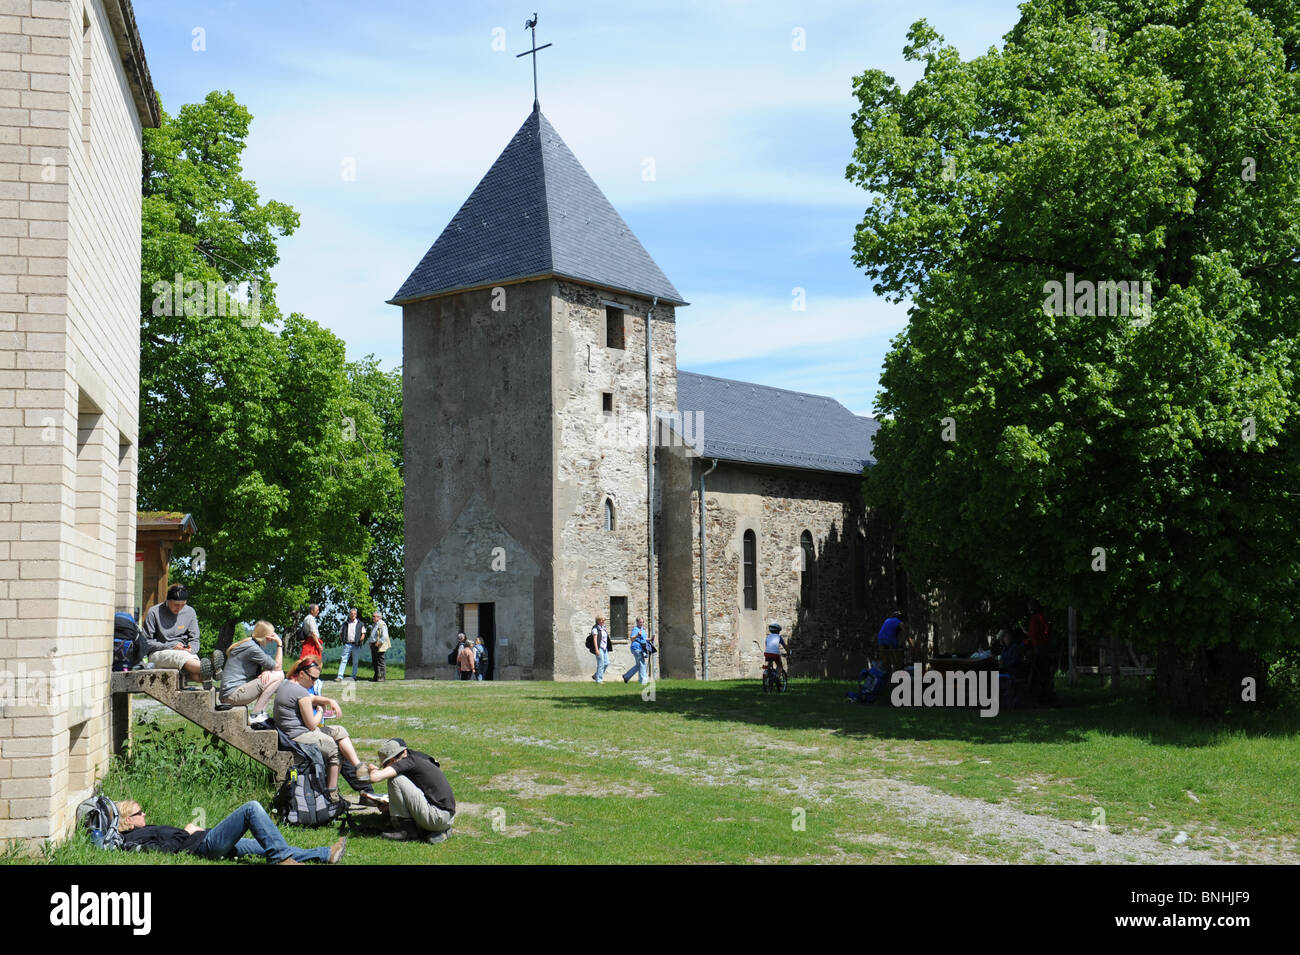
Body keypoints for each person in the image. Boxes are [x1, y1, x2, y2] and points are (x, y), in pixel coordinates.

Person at [115, 799, 346, 865]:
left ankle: (324, 854)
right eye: (140, 812)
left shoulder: (143, 830)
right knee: (251, 809)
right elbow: (166, 849)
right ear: (128, 820)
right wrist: (186, 833)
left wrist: (195, 830)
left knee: (265, 845)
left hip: (204, 837)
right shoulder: (135, 838)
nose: (145, 814)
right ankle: (282, 861)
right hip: (205, 845)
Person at [274, 658, 372, 805]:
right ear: (302, 674)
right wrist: (320, 710)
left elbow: (312, 697)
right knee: (334, 749)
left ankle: (359, 766)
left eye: (316, 679)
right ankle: (332, 795)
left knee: (340, 731)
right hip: (299, 736)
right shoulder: (300, 692)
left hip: (291, 732)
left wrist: (329, 700)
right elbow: (313, 725)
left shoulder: (288, 684)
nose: (314, 683)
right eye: (312, 679)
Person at [365, 738, 456, 844]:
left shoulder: (408, 761)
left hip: (438, 817)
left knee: (395, 779)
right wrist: (392, 806)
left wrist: (373, 769)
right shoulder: (417, 758)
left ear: (403, 753)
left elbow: (375, 778)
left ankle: (407, 831)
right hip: (445, 816)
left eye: (389, 762)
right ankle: (439, 832)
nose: (390, 765)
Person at [140, 584, 219, 690]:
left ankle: (206, 673)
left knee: (196, 675)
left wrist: (192, 648)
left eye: (183, 605)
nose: (180, 608)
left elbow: (195, 639)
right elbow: (145, 642)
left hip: (186, 654)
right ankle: (213, 669)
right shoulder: (154, 612)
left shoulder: (190, 612)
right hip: (158, 654)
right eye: (176, 605)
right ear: (168, 600)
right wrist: (171, 646)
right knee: (181, 657)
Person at [219, 620, 284, 725]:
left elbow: (268, 664)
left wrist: (267, 670)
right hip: (233, 695)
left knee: (272, 675)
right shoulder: (253, 648)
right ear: (266, 637)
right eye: (271, 637)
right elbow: (278, 667)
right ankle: (256, 714)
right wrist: (280, 644)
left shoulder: (249, 644)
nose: (272, 640)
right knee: (279, 675)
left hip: (229, 694)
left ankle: (260, 712)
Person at [338, 607, 366, 681]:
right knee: (343, 660)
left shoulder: (360, 624)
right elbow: (340, 633)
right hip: (347, 644)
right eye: (351, 614)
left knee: (355, 661)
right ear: (349, 615)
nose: (353, 615)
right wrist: (343, 640)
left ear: (356, 615)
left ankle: (353, 676)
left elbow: (363, 633)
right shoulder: (345, 624)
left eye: (354, 614)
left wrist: (360, 640)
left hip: (356, 645)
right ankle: (340, 676)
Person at [622, 617, 650, 684]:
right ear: (637, 622)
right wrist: (637, 635)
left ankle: (626, 676)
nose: (641, 623)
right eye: (640, 622)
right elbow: (632, 639)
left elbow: (644, 639)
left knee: (639, 665)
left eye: (642, 622)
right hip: (636, 648)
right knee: (642, 664)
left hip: (642, 648)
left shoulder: (643, 630)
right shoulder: (635, 629)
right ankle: (643, 681)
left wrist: (650, 639)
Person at [369, 610, 390, 682]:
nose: (373, 618)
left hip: (379, 645)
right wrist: (370, 642)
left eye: (374, 616)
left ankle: (382, 677)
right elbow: (373, 635)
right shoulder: (374, 624)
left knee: (380, 661)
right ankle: (377, 676)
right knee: (374, 661)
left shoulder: (382, 624)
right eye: (373, 616)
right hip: (373, 644)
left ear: (379, 617)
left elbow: (385, 636)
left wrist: (379, 642)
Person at [590, 616, 610, 683]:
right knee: (601, 663)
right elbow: (595, 640)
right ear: (598, 621)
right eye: (602, 620)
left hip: (604, 648)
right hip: (599, 648)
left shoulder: (603, 628)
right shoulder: (595, 629)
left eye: (604, 620)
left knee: (606, 663)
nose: (604, 621)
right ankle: (599, 680)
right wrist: (596, 650)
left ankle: (596, 675)